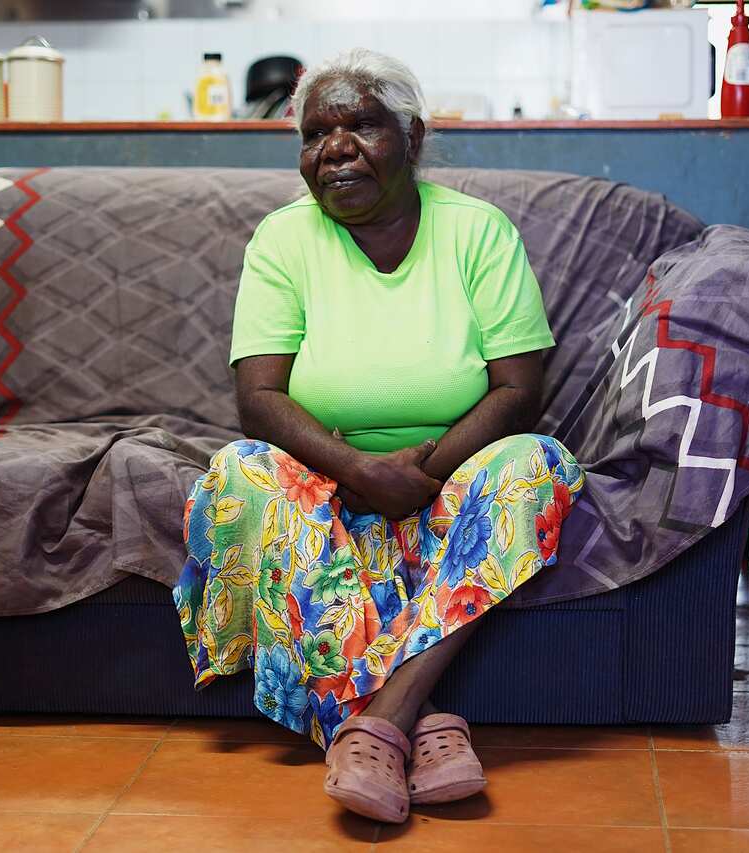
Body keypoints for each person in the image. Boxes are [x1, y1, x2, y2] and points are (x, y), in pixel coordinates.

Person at [175, 48, 584, 824]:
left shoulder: (479, 234)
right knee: (237, 474)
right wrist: (359, 468)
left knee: (535, 466)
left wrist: (416, 474)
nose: (335, 148)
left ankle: (378, 722)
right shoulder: (283, 240)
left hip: (454, 473)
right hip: (326, 473)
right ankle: (410, 725)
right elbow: (258, 400)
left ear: (414, 136)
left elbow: (519, 390)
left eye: (362, 124)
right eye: (315, 133)